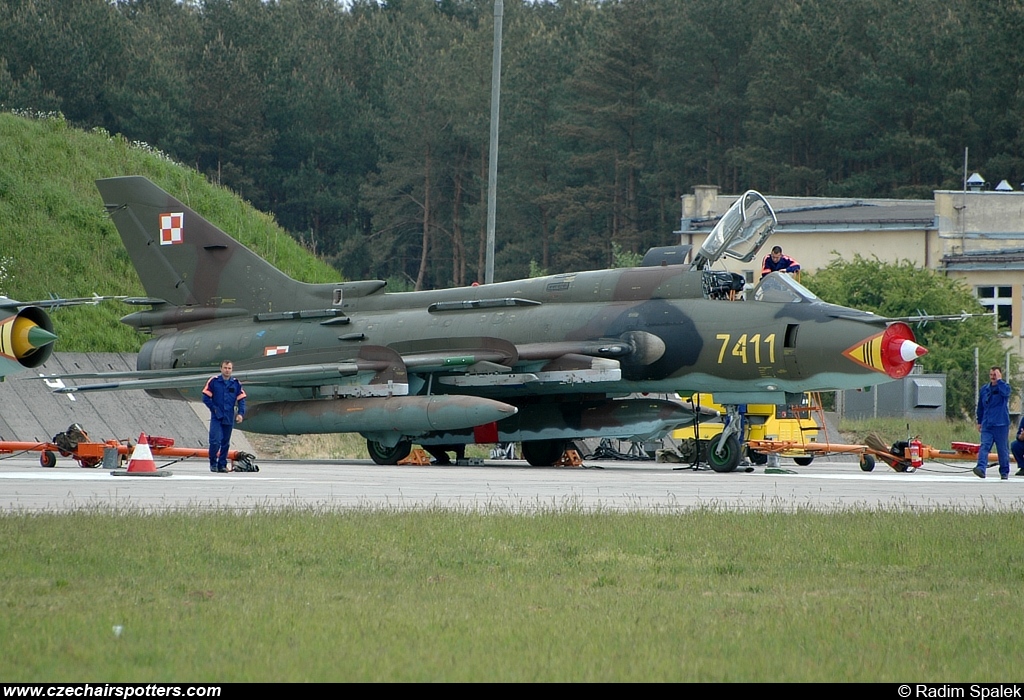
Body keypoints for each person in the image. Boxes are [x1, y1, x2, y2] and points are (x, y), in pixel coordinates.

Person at [203, 360, 246, 473]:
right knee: (215, 441)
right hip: (217, 417)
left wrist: (241, 413)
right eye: (225, 368)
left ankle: (222, 464)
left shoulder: (236, 383)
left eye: (229, 368)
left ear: (232, 370)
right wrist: (214, 409)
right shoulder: (214, 381)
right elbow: (205, 397)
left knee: (225, 442)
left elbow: (241, 399)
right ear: (221, 369)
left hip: (229, 416)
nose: (227, 370)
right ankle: (213, 463)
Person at [974, 366, 1010, 479]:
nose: (993, 377)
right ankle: (981, 468)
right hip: (987, 424)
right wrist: (979, 421)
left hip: (1001, 424)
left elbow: (1006, 393)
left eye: (995, 375)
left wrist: (999, 381)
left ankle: (1004, 472)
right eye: (991, 375)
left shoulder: (1005, 387)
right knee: (984, 446)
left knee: (1002, 449)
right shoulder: (985, 389)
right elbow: (980, 407)